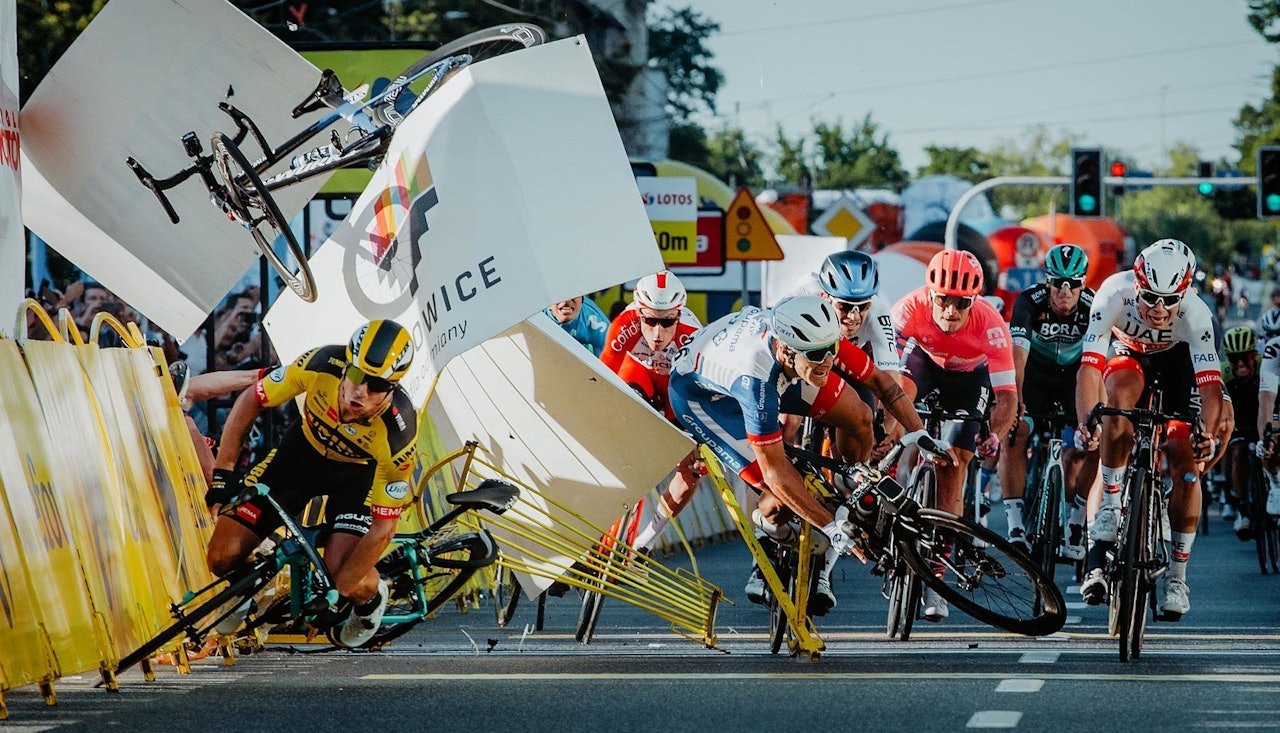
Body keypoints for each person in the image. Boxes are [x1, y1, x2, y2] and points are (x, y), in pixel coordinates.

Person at [668, 295, 947, 614]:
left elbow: (882, 383)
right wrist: (830, 526)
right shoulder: (754, 379)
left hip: (785, 368)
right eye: (819, 354)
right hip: (704, 399)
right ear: (787, 350)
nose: (828, 359)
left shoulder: (816, 340)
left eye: (833, 349)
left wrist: (919, 433)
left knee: (859, 416)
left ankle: (849, 485)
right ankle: (771, 531)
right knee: (779, 490)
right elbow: (774, 471)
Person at [205, 319, 418, 648]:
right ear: (346, 366)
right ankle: (249, 585)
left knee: (342, 570)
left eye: (375, 385)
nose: (360, 391)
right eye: (358, 375)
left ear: (392, 388)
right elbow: (252, 398)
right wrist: (224, 473)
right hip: (299, 456)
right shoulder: (320, 365)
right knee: (221, 558)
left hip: (357, 477)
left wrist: (338, 594)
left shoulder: (399, 433)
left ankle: (373, 600)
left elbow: (382, 531)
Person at [1074, 239, 1224, 620]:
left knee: (1186, 459)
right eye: (1151, 297)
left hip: (1179, 368)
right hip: (1130, 357)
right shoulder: (1112, 293)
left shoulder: (1196, 314)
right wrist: (1088, 418)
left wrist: (1204, 432)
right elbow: (1090, 368)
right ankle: (1110, 501)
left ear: (1184, 293)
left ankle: (1177, 576)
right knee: (1116, 398)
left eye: (1170, 300)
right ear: (1136, 284)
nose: (1159, 309)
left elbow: (1208, 388)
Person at [891, 249, 1019, 621]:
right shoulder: (907, 309)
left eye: (961, 303)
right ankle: (895, 475)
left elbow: (1007, 396)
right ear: (929, 294)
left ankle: (937, 581)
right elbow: (887, 375)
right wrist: (887, 425)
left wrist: (994, 434)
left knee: (954, 464)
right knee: (898, 399)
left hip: (968, 378)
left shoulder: (991, 324)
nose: (950, 310)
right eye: (943, 300)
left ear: (974, 301)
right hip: (924, 362)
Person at [996, 244, 1097, 558]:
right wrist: (1017, 401)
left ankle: (1078, 517)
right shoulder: (1029, 301)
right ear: (1047, 281)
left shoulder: (1095, 307)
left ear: (1083, 284)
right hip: (1034, 379)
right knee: (1016, 431)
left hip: (1073, 382)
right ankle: (1014, 524)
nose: (1065, 291)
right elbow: (1018, 357)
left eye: (1074, 283)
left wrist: (1092, 418)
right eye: (1058, 282)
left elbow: (1097, 367)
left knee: (1097, 438)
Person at [599, 271, 703, 557]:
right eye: (650, 321)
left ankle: (645, 541)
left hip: (677, 387)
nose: (658, 333)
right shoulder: (624, 325)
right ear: (639, 313)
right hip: (639, 375)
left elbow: (702, 396)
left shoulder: (694, 338)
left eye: (668, 321)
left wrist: (694, 439)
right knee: (623, 418)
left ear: (679, 315)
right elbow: (603, 379)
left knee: (691, 470)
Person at [783, 250, 901, 458]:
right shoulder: (805, 292)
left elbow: (891, 382)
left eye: (862, 306)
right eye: (844, 306)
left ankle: (844, 484)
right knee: (788, 423)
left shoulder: (879, 312)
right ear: (825, 297)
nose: (854, 317)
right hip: (808, 359)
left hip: (852, 363)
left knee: (859, 428)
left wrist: (885, 432)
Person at [1221, 326, 1260, 540]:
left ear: (1254, 354)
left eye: (1245, 357)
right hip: (1238, 421)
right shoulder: (1224, 373)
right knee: (1237, 452)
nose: (1241, 364)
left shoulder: (1266, 366)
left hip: (1264, 417)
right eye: (1235, 358)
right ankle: (1243, 509)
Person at [545, 295, 609, 356]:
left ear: (582, 298)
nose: (565, 302)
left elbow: (610, 360)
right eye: (558, 294)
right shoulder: (536, 314)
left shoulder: (595, 319)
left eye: (573, 294)